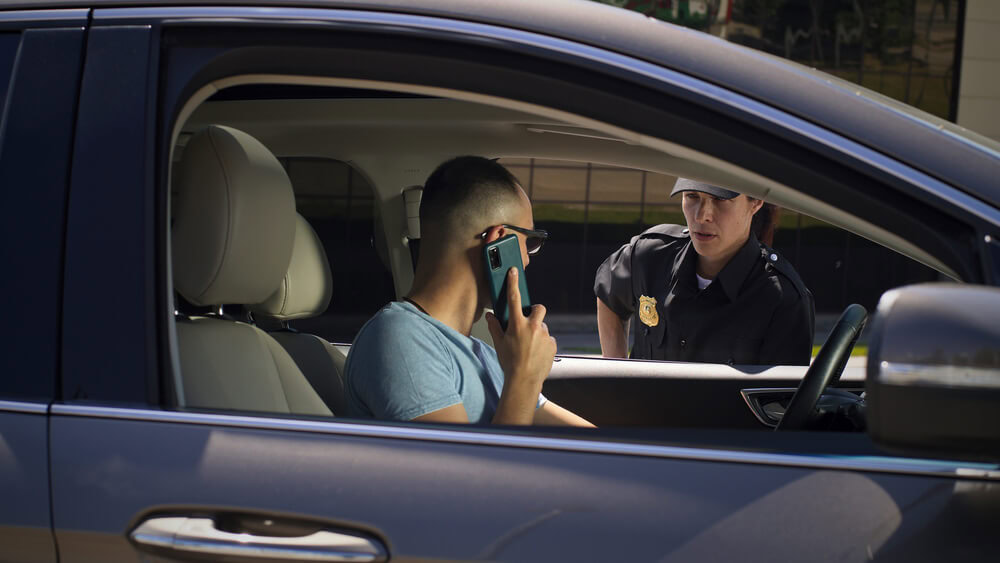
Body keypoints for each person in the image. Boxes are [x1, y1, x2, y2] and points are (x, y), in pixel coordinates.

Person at [345, 156, 593, 426]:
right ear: (499, 240)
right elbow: (463, 467)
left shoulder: (485, 355)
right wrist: (524, 377)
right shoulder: (401, 340)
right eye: (529, 242)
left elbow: (598, 446)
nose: (528, 260)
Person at [594, 178, 814, 365]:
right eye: (692, 196)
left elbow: (779, 405)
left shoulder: (783, 299)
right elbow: (609, 292)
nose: (702, 216)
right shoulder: (650, 255)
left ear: (755, 202)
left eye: (720, 200)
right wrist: (617, 376)